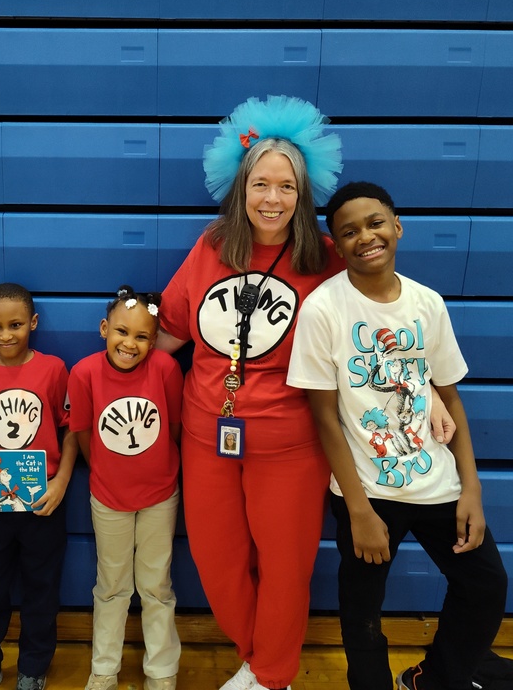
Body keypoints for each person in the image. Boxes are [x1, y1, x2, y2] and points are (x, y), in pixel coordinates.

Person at [155, 95, 346, 690]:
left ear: (302, 193)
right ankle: (261, 663)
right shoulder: (212, 245)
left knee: (287, 567)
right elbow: (171, 332)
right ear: (241, 188)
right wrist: (116, 369)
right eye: (260, 184)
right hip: (207, 434)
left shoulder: (326, 259)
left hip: (291, 445)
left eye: (285, 187)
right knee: (218, 563)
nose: (272, 198)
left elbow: (368, 338)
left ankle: (270, 674)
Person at [286, 182, 507, 690]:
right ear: (336, 245)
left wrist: (471, 488)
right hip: (368, 494)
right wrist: (359, 510)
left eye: (375, 223)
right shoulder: (323, 310)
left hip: (437, 485)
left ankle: (436, 680)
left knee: (486, 586)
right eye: (349, 231)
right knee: (362, 614)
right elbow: (324, 417)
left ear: (397, 227)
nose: (366, 236)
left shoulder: (427, 304)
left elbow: (450, 399)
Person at [0, 282, 79, 690]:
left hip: (43, 503)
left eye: (16, 324)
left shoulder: (54, 369)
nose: (6, 334)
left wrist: (60, 481)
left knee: (42, 589)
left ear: (33, 323)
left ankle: (33, 668)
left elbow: (71, 429)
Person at [68, 286, 183, 690]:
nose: (129, 343)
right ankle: (104, 670)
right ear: (104, 329)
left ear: (154, 341)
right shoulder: (83, 373)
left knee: (156, 584)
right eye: (121, 331)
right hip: (108, 498)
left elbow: (173, 426)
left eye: (141, 336)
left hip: (160, 495)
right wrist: (103, 470)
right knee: (112, 586)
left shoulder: (166, 369)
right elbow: (82, 432)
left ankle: (162, 671)